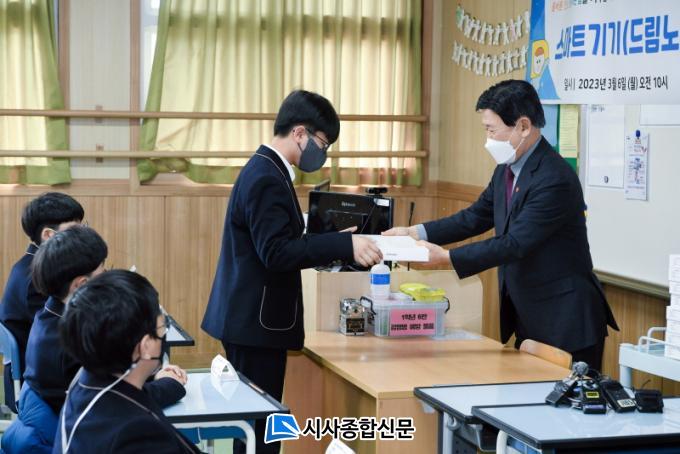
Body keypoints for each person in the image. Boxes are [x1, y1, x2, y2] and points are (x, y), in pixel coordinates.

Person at [385, 80, 618, 372]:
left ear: (523, 126)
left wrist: (446, 257)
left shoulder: (554, 178)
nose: (488, 139)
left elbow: (515, 243)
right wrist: (414, 232)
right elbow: (475, 217)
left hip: (566, 318)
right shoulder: (507, 168)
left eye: (492, 130)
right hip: (530, 313)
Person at [202, 89, 382, 454]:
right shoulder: (266, 177)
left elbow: (279, 239)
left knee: (253, 429)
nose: (323, 153)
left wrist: (331, 239)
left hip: (251, 320)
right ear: (299, 132)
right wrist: (342, 245)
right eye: (322, 143)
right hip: (255, 324)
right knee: (258, 432)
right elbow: (276, 252)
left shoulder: (268, 168)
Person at [23, 225, 186, 414]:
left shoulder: (51, 315)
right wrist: (170, 384)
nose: (108, 276)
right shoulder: (74, 342)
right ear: (81, 284)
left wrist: (152, 374)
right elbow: (118, 401)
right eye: (103, 271)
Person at [53, 270, 201, 453]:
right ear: (146, 346)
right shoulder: (138, 433)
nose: (164, 334)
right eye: (163, 327)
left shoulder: (84, 384)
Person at [0, 192, 84, 411]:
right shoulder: (38, 279)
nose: (81, 237)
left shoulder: (33, 265)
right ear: (48, 235)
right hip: (36, 384)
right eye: (75, 230)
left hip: (39, 371)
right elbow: (59, 335)